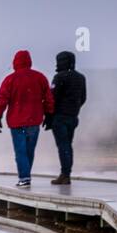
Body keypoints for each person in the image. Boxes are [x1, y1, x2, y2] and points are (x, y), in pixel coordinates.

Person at [0, 49, 54, 187]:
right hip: (34, 120)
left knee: (20, 151)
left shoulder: (10, 80)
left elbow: (2, 99)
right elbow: (48, 98)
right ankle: (26, 175)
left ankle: (24, 177)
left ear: (15, 62)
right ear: (29, 61)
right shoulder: (40, 78)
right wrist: (49, 115)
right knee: (29, 151)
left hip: (17, 122)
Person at [48, 51, 87, 186]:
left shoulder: (59, 77)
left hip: (60, 117)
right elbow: (83, 98)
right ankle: (67, 174)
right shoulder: (81, 78)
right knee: (68, 145)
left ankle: (65, 175)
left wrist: (49, 116)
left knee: (63, 146)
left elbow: (52, 98)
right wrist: (74, 109)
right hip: (73, 116)